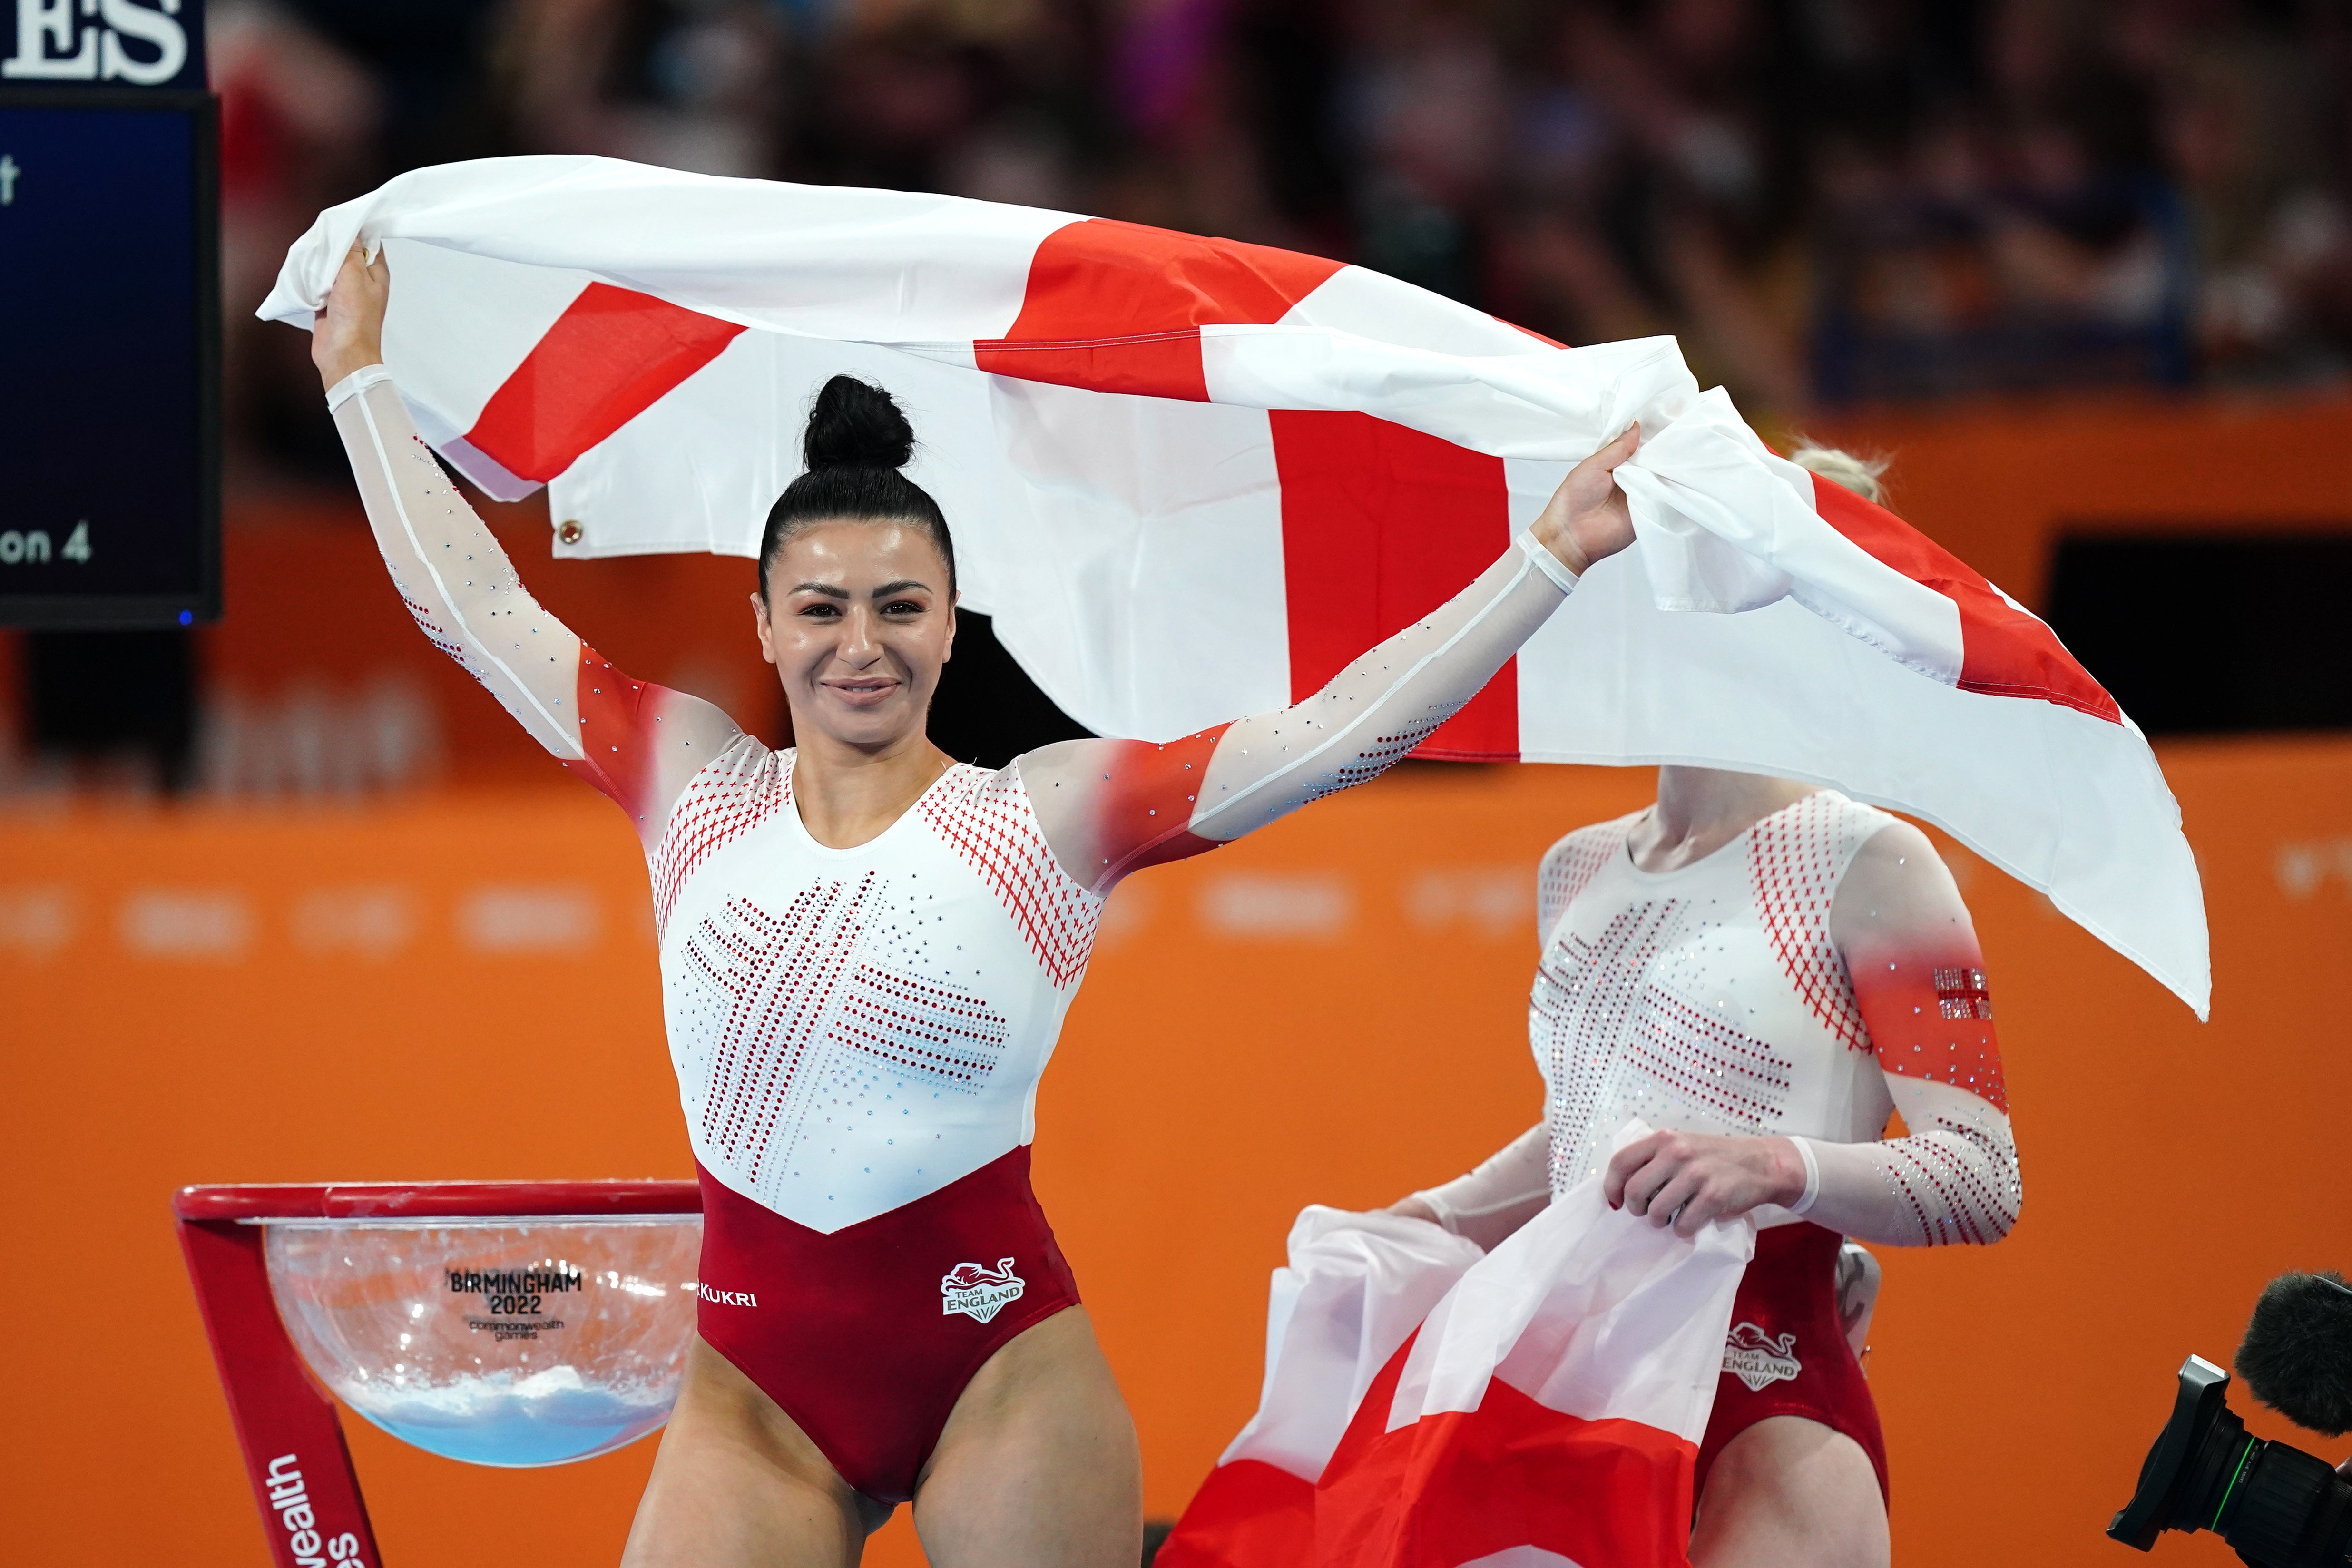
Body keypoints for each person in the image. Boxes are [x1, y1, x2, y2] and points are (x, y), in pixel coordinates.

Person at [308, 242, 1639, 1568]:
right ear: (765, 623)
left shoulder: (1042, 816)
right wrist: (358, 375)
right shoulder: (689, 779)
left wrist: (1550, 554)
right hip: (752, 1402)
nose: (860, 643)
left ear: (952, 626)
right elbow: (471, 609)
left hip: (999, 1378)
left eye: (902, 607)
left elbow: (1336, 734)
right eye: (820, 608)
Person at [1389, 449, 2021, 1568]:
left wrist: (1781, 1168)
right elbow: (1600, 1127)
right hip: (1575, 1386)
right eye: (1661, 574)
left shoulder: (1870, 862)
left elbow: (1982, 1176)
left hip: (1764, 1404)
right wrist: (1434, 1220)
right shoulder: (1576, 868)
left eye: (1726, 582)